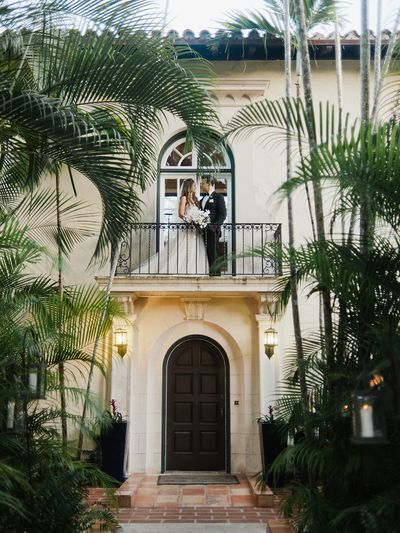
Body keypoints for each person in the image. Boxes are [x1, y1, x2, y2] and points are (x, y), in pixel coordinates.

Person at [132, 178, 208, 275]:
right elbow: (181, 214)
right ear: (189, 187)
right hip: (187, 229)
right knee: (183, 250)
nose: (196, 187)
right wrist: (191, 221)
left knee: (194, 250)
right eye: (194, 185)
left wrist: (198, 220)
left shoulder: (195, 199)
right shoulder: (184, 198)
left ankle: (193, 270)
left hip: (194, 231)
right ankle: (181, 270)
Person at [200, 175, 227, 276]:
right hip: (202, 231)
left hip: (213, 231)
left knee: (213, 253)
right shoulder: (202, 199)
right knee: (204, 253)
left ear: (210, 183)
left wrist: (214, 226)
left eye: (203, 183)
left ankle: (215, 275)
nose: (201, 185)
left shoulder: (218, 197)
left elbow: (222, 214)